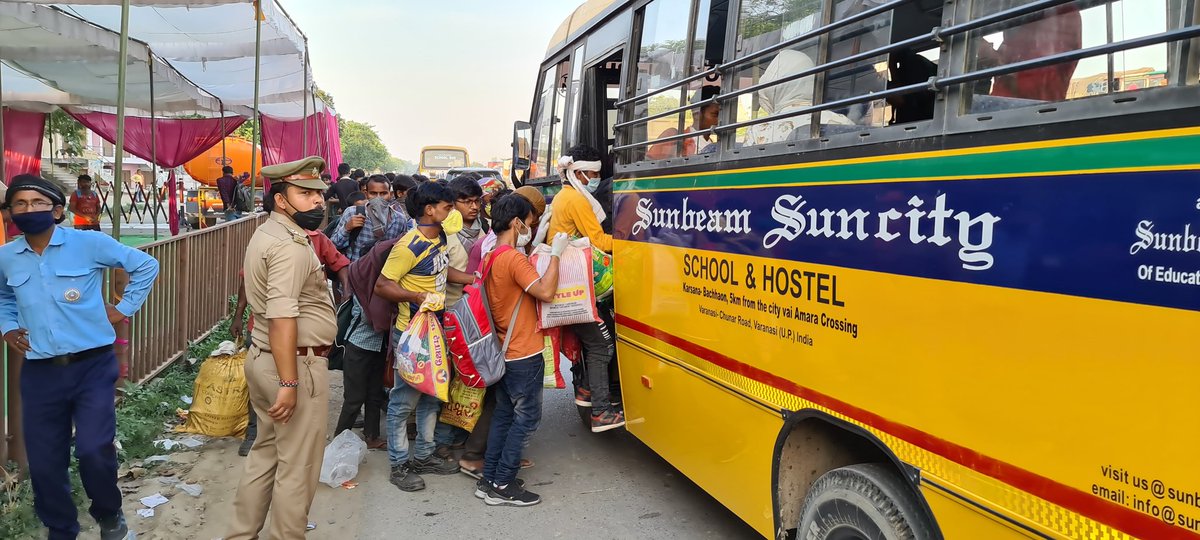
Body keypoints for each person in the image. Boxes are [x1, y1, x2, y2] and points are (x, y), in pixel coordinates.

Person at [0, 174, 159, 540]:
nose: (28, 210)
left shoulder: (88, 244)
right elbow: (4, 296)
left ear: (57, 210)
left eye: (37, 203)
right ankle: (61, 528)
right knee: (44, 461)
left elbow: (146, 266)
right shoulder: (8, 257)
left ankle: (109, 514)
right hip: (40, 372)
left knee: (92, 449)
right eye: (19, 204)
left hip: (92, 365)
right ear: (10, 213)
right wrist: (8, 326)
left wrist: (124, 308)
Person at [226, 157, 336, 540]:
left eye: (318, 194)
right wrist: (290, 383)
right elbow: (282, 317)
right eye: (304, 194)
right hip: (293, 366)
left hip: (265, 359)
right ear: (280, 200)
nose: (316, 202)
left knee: (266, 455)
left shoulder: (270, 233)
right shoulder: (289, 246)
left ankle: (241, 534)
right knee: (298, 467)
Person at [373, 182, 475, 491]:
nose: (452, 210)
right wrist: (416, 296)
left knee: (432, 396)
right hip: (412, 335)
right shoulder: (408, 245)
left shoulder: (440, 237)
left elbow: (443, 273)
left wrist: (474, 279)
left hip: (437, 330)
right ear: (429, 210)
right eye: (447, 206)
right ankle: (399, 464)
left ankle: (425, 455)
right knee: (403, 402)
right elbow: (382, 285)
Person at [231, 219, 352, 456]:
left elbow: (340, 264)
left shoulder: (317, 239)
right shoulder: (270, 239)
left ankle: (281, 441)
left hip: (302, 334)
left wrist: (345, 293)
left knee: (296, 394)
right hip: (268, 330)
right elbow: (248, 281)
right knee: (268, 386)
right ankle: (257, 434)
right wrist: (238, 315)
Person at [477, 195, 568, 507]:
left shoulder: (492, 254)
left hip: (504, 349)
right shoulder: (512, 259)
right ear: (516, 222)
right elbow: (545, 291)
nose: (530, 227)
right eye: (529, 222)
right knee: (526, 419)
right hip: (523, 352)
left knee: (504, 415)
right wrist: (556, 255)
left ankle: (489, 478)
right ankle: (503, 483)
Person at [545, 145, 625, 433]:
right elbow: (599, 241)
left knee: (597, 342)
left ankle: (589, 394)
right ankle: (601, 412)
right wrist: (633, 243)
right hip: (576, 283)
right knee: (601, 345)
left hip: (571, 279)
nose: (595, 179)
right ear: (577, 172)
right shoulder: (576, 201)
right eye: (592, 174)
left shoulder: (566, 196)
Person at [330, 175, 409, 262]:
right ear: (366, 194)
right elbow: (333, 245)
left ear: (390, 195)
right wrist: (347, 228)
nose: (378, 198)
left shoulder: (399, 220)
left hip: (384, 273)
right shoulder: (352, 213)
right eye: (373, 193)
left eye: (383, 193)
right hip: (356, 270)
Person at [647, 86, 721, 159]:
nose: (720, 119)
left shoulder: (714, 145)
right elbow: (649, 165)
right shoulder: (674, 137)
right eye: (715, 114)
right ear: (697, 114)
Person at [448, 176, 487, 252]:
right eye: (467, 202)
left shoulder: (488, 227)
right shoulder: (444, 232)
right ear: (452, 203)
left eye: (477, 201)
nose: (474, 207)